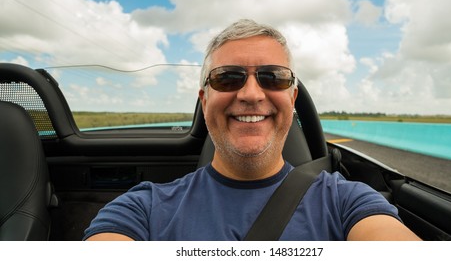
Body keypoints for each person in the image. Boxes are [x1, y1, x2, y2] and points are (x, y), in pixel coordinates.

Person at [83, 19, 421, 241]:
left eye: (272, 76)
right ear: (205, 100)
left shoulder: (347, 201)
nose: (250, 94)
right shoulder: (143, 208)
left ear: (292, 97)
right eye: (228, 77)